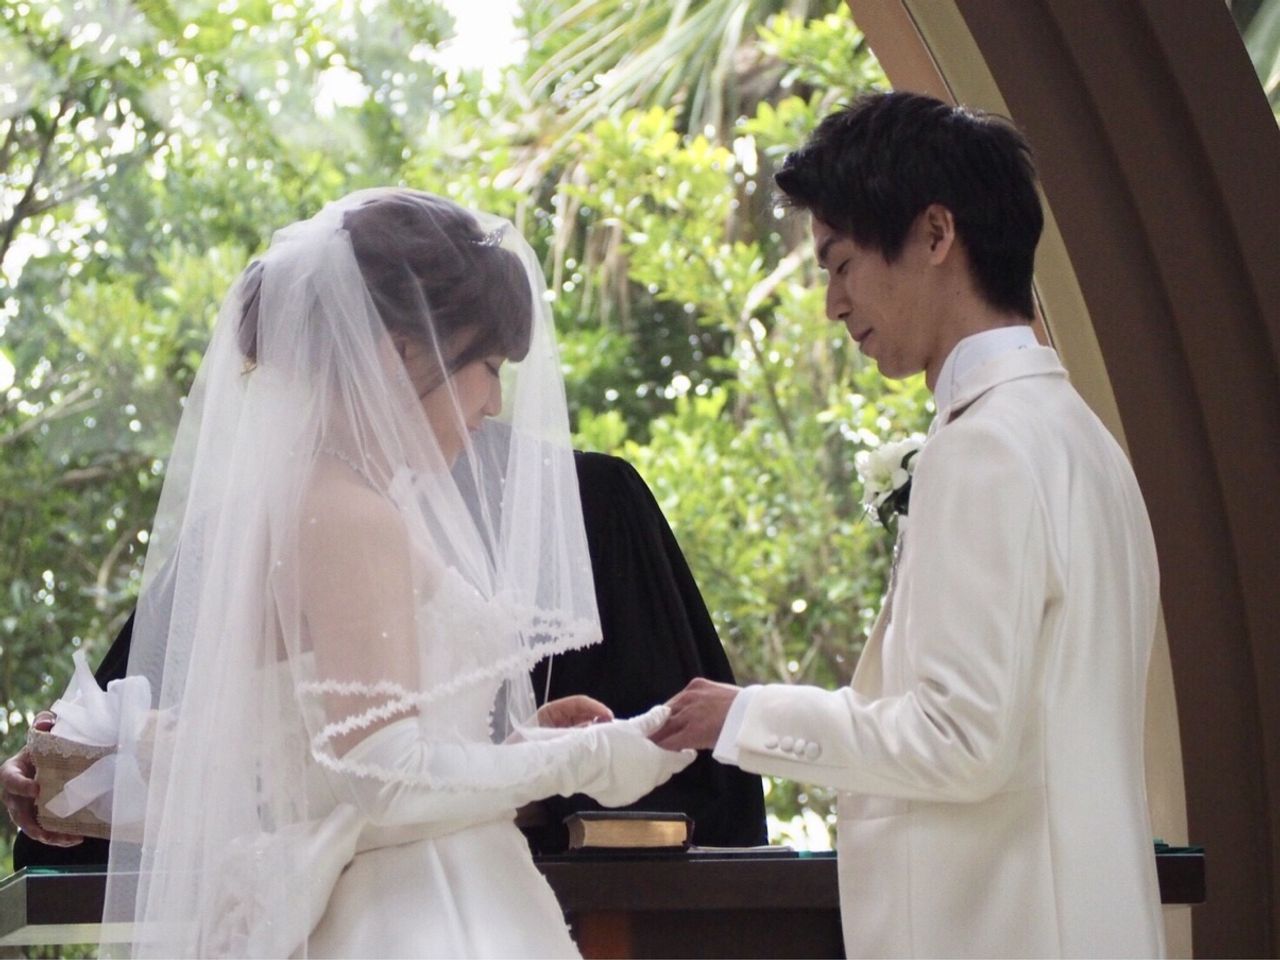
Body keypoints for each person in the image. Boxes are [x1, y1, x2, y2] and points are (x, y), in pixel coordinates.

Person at [40, 188, 697, 958]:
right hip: (417, 908)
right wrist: (588, 757)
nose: (494, 402)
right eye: (486, 366)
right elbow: (382, 782)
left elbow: (337, 760)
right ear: (401, 353)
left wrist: (520, 745)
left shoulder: (324, 498)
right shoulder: (347, 514)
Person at [653, 92, 1166, 958]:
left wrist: (747, 716)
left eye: (841, 263)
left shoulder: (986, 447)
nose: (832, 303)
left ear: (934, 234)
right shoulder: (1085, 438)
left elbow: (958, 740)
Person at [3, 450, 768, 865]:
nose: (492, 396)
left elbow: (705, 799)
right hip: (337, 899)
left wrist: (532, 755)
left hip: (545, 903)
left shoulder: (590, 500)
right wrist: (46, 777)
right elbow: (127, 739)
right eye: (485, 362)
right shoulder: (251, 531)